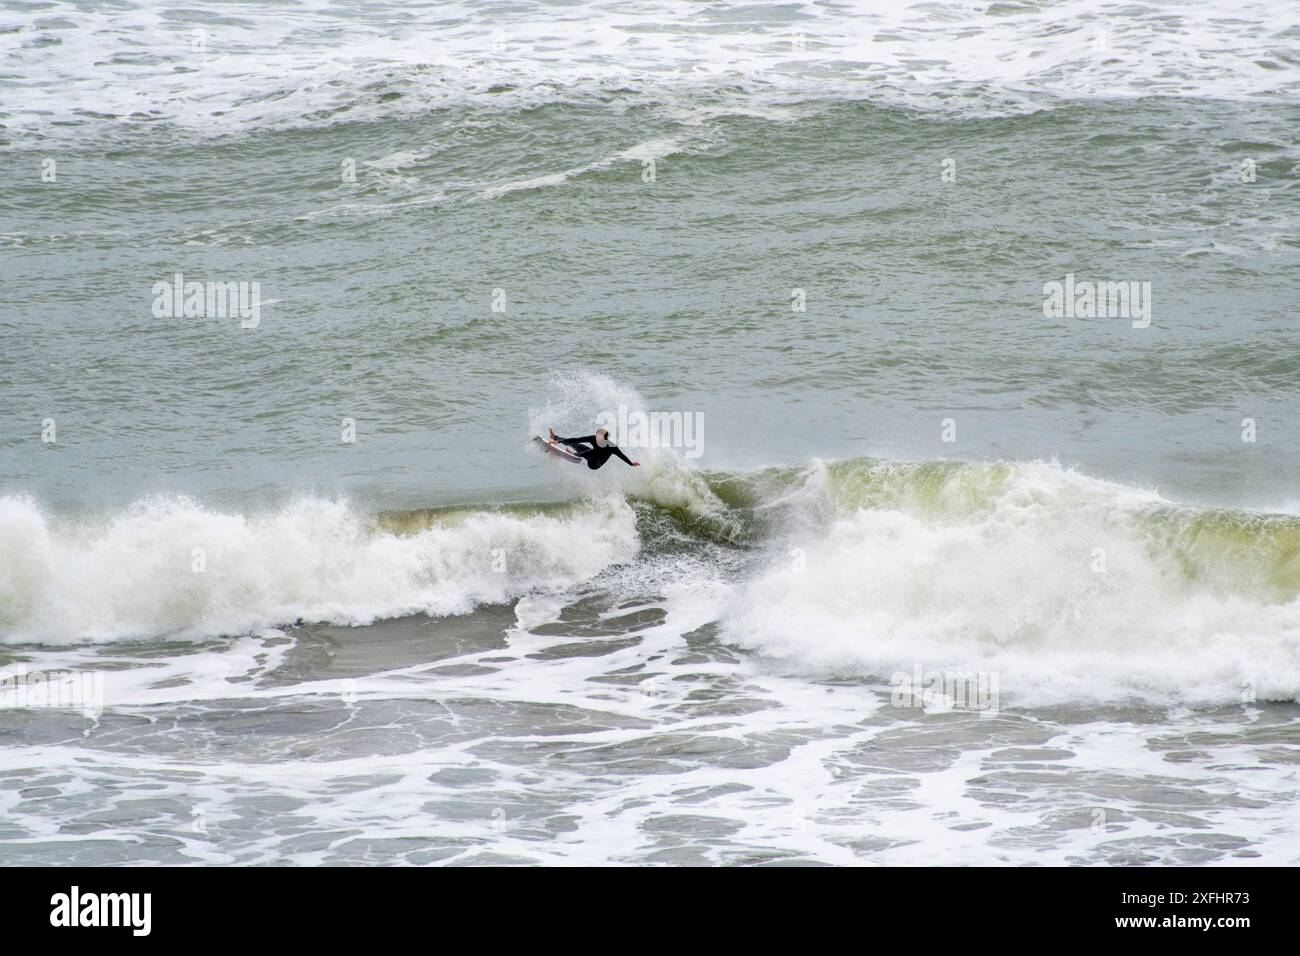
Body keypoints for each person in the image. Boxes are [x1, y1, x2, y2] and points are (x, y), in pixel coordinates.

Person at [548, 426, 640, 470]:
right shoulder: (593, 438)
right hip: (589, 455)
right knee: (576, 444)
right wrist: (559, 441)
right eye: (597, 436)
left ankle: (575, 454)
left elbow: (621, 455)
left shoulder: (612, 447)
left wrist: (631, 464)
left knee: (595, 451)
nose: (597, 439)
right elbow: (577, 439)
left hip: (595, 464)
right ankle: (554, 437)